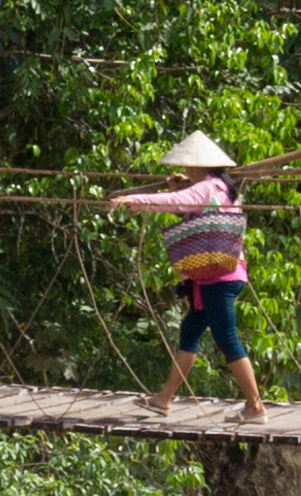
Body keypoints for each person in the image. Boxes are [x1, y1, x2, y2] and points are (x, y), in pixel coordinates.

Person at [108, 131, 266, 420]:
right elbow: (189, 200)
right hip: (221, 275)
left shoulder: (207, 188)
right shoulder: (221, 186)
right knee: (192, 329)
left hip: (219, 279)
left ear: (198, 166)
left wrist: (131, 199)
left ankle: (255, 406)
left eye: (188, 166)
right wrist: (185, 185)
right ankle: (163, 399)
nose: (185, 170)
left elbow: (173, 201)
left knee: (227, 339)